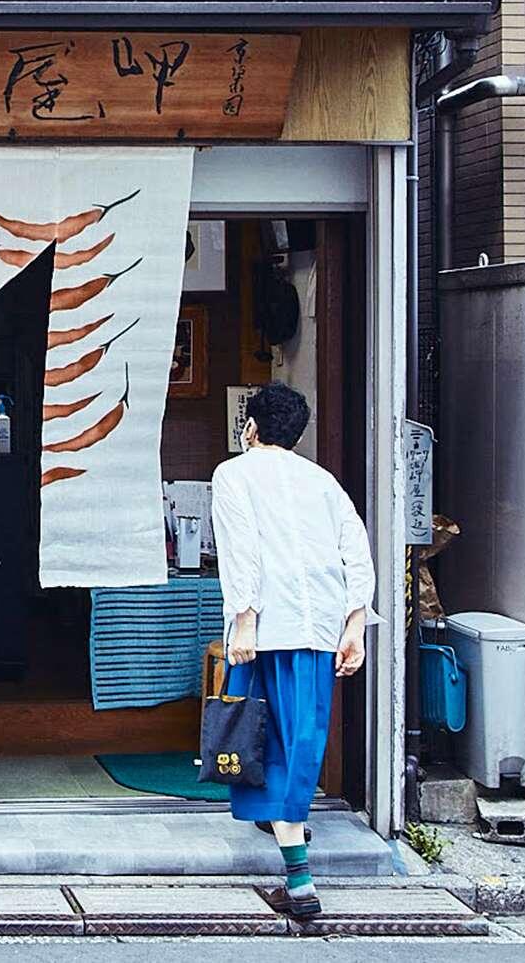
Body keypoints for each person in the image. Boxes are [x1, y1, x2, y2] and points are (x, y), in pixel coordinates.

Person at [209, 382, 375, 921]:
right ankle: (283, 825)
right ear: (298, 436)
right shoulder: (322, 481)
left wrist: (244, 622)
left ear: (250, 427)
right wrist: (355, 626)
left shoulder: (233, 474)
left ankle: (299, 881)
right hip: (320, 628)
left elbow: (241, 551)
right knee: (301, 737)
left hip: (267, 630)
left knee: (263, 738)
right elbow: (356, 550)